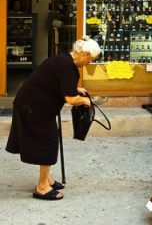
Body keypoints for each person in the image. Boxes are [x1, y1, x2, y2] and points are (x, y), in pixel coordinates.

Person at [6, 36, 101, 200]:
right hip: (33, 107)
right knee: (48, 142)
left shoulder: (63, 59)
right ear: (85, 54)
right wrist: (84, 100)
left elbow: (58, 81)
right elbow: (70, 99)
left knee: (48, 140)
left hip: (30, 103)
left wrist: (75, 88)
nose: (89, 63)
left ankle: (47, 179)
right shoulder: (68, 67)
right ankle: (42, 187)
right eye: (91, 59)